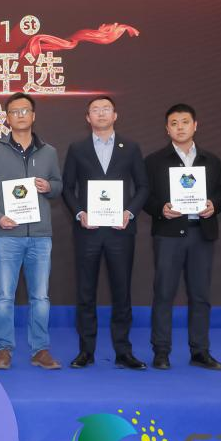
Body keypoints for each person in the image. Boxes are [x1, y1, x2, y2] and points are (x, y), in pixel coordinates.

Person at [61, 96, 149, 370]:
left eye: (106, 109)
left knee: (122, 292)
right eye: (95, 110)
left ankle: (123, 351)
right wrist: (80, 213)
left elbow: (143, 186)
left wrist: (129, 212)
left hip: (120, 231)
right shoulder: (77, 148)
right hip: (88, 231)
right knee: (86, 292)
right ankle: (86, 351)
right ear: (88, 118)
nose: (101, 114)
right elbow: (67, 187)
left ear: (115, 115)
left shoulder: (131, 147)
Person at [144, 103, 221, 371]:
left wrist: (214, 204)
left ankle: (200, 351)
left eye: (185, 122)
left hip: (201, 234)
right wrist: (160, 209)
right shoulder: (153, 161)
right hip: (168, 235)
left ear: (195, 126)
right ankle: (161, 352)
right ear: (166, 129)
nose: (180, 127)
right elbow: (143, 195)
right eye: (174, 123)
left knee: (200, 295)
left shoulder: (211, 161)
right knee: (163, 294)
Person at [0, 92, 63, 370]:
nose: (20, 115)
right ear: (7, 117)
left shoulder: (49, 152)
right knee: (4, 296)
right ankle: (3, 349)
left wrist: (49, 186)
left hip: (40, 236)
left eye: (25, 110)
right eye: (14, 111)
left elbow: (58, 185)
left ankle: (40, 349)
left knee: (40, 297)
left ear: (33, 115)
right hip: (7, 235)